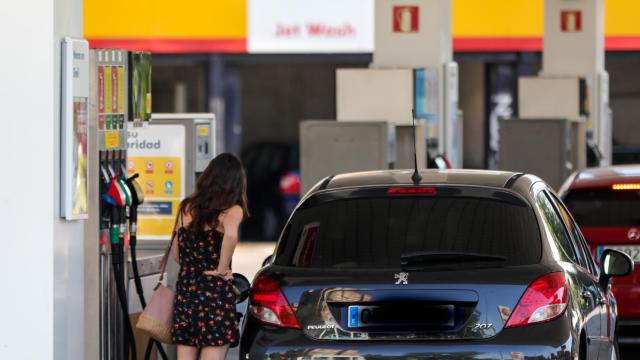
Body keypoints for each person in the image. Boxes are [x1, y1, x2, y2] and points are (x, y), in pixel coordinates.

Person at [170, 153, 248, 360]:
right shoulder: (232, 209)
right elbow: (230, 235)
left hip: (186, 291)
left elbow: (177, 256)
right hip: (214, 293)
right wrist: (222, 269)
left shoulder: (186, 207)